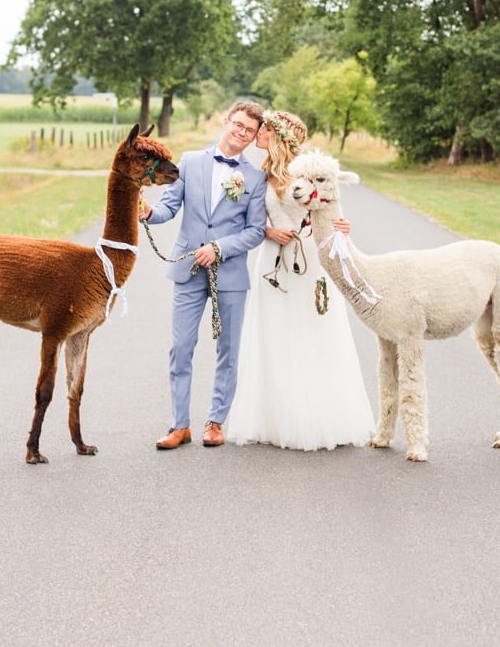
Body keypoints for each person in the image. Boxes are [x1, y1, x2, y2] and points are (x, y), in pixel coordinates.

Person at [225, 110, 374, 450]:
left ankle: (316, 417)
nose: (257, 132)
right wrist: (266, 230)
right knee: (274, 333)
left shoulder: (308, 172)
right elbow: (246, 220)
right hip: (272, 259)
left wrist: (343, 228)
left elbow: (332, 213)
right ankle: (276, 417)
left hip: (307, 261)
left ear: (278, 135)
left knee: (311, 332)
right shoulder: (257, 172)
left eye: (264, 128)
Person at [144, 100, 267, 449]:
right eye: (238, 125)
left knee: (228, 350)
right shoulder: (191, 161)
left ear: (254, 136)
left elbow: (256, 230)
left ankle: (215, 422)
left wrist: (220, 248)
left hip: (229, 275)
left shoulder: (255, 178)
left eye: (250, 131)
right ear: (226, 121)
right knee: (181, 347)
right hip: (187, 271)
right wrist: (150, 211)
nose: (241, 133)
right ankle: (178, 426)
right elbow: (169, 206)